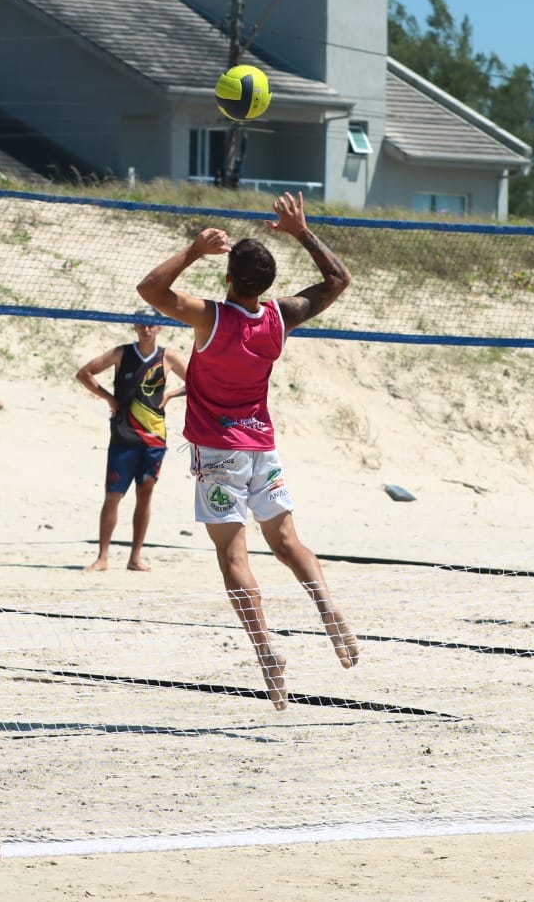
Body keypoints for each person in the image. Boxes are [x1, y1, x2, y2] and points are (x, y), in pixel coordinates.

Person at [137, 191, 360, 710]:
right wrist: (302, 231)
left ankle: (266, 652)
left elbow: (150, 288)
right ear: (267, 283)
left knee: (232, 555)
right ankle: (329, 610)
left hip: (218, 453)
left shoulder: (210, 317)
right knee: (287, 542)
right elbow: (339, 281)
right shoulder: (279, 317)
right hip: (262, 446)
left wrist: (192, 251)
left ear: (229, 278)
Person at [74, 313, 187, 573]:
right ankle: (102, 557)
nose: (146, 329)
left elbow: (197, 382)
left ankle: (135, 557)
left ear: (159, 327)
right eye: (141, 324)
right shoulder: (121, 353)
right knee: (113, 495)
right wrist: (109, 398)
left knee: (144, 496)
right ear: (135, 326)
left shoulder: (167, 357)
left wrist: (170, 393)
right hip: (123, 435)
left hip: (154, 438)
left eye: (151, 325)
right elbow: (84, 373)